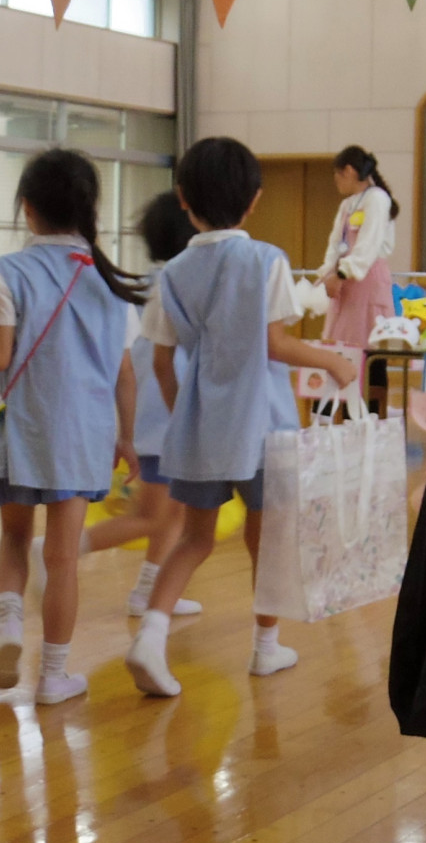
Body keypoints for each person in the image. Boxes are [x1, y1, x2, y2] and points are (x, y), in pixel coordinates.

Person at [122, 137, 361, 700]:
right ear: (254, 200)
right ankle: (264, 647)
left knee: (193, 539)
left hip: (202, 425)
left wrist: (188, 408)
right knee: (267, 541)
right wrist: (329, 358)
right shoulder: (266, 260)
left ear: (183, 199)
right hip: (263, 424)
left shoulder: (174, 271)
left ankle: (151, 637)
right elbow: (274, 343)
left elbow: (161, 359)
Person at [0, 149, 146, 704]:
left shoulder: (7, 271)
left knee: (14, 537)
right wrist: (127, 437)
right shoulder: (110, 282)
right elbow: (125, 373)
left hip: (19, 429)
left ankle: (11, 628)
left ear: (28, 209)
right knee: (62, 559)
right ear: (88, 209)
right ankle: (53, 675)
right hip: (83, 437)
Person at [84, 190, 206, 618]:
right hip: (163, 424)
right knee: (153, 515)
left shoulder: (150, 284)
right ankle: (63, 550)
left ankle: (150, 591)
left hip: (155, 421)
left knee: (171, 514)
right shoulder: (181, 288)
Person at [316, 146, 398, 349]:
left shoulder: (377, 199)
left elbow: (368, 244)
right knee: (339, 343)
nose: (337, 183)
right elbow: (335, 243)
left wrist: (343, 273)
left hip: (367, 280)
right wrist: (328, 273)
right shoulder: (347, 205)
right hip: (345, 283)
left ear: (350, 171)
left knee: (367, 344)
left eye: (338, 176)